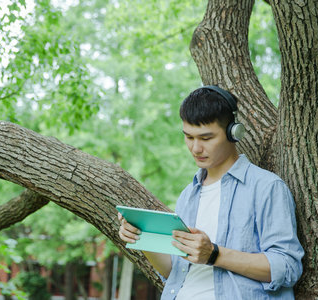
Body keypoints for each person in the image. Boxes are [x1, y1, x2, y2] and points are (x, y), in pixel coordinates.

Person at [118, 86, 304, 299]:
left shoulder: (267, 187)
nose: (195, 148)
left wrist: (214, 254)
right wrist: (141, 239)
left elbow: (287, 267)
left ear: (234, 133)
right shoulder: (188, 195)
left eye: (206, 138)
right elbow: (176, 272)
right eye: (189, 137)